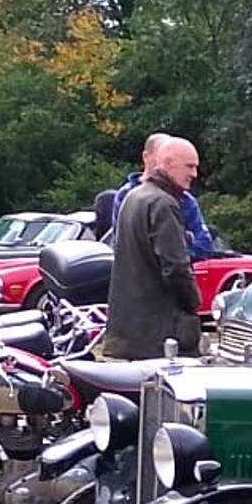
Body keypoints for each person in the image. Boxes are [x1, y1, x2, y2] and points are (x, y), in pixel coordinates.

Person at [100, 136, 203, 359]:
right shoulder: (163, 204)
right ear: (167, 164)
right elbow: (176, 268)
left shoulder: (133, 198)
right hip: (158, 334)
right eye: (189, 166)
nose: (194, 174)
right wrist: (193, 303)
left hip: (128, 331)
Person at [110, 131, 216, 258]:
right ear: (146, 157)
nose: (194, 174)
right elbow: (128, 247)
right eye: (162, 153)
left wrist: (177, 250)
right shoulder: (128, 196)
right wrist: (182, 242)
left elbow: (204, 246)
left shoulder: (186, 200)